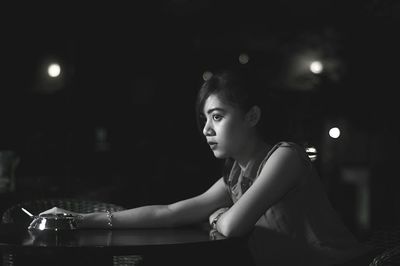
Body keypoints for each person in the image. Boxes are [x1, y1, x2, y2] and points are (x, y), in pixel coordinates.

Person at [41, 67, 370, 266]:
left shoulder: (285, 157)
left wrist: (216, 216)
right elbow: (170, 212)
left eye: (218, 116)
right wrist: (79, 220)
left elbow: (231, 227)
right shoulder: (236, 174)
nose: (206, 130)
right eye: (205, 119)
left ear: (252, 117)